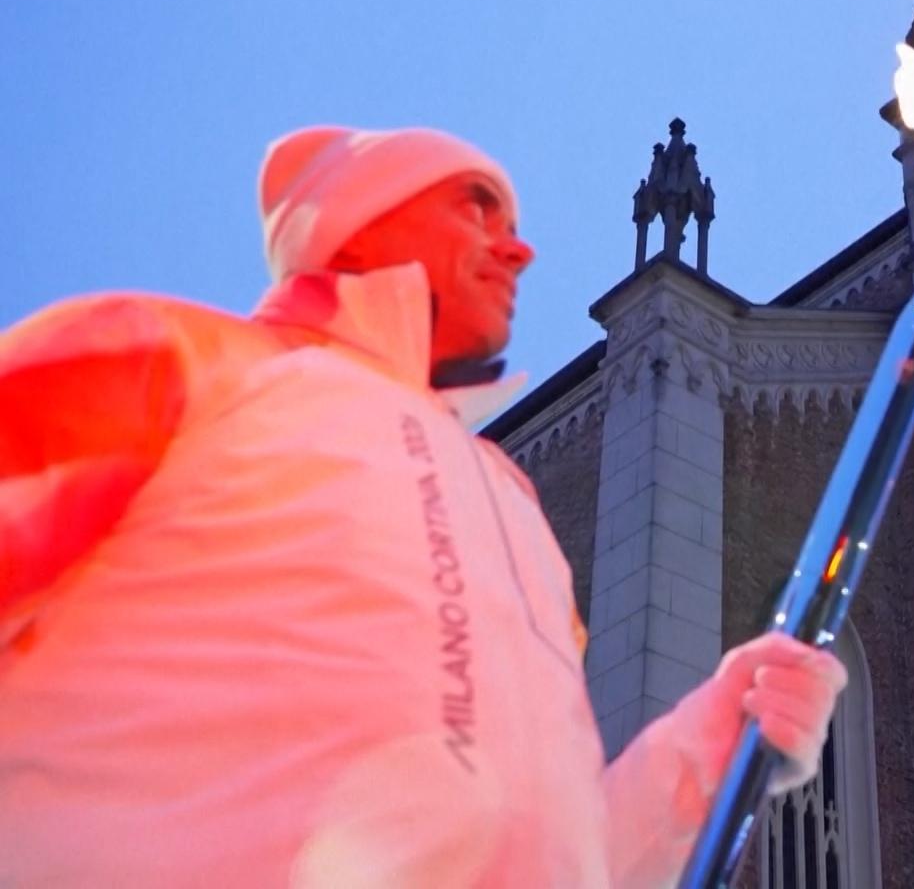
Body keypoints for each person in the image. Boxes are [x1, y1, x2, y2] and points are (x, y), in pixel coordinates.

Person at [0, 125, 846, 886]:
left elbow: (553, 852)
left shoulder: (514, 519)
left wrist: (707, 750)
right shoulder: (195, 365)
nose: (516, 252)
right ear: (360, 228)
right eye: (473, 211)